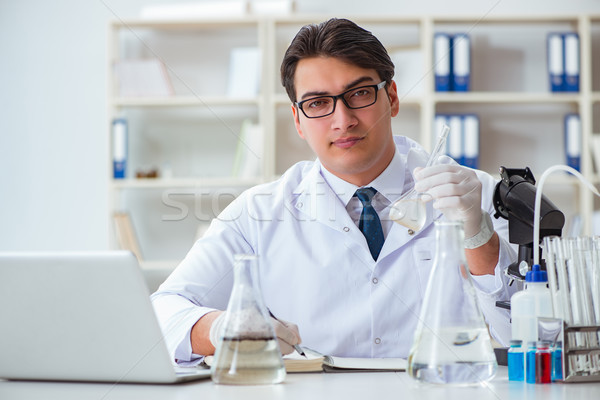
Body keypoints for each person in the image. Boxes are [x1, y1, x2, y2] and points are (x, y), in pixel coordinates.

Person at [151, 18, 518, 365]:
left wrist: (478, 237)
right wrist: (219, 329)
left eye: (358, 94)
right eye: (317, 103)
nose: (343, 120)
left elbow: (528, 336)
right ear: (298, 119)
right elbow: (163, 311)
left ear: (391, 96)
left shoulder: (476, 196)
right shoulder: (257, 212)